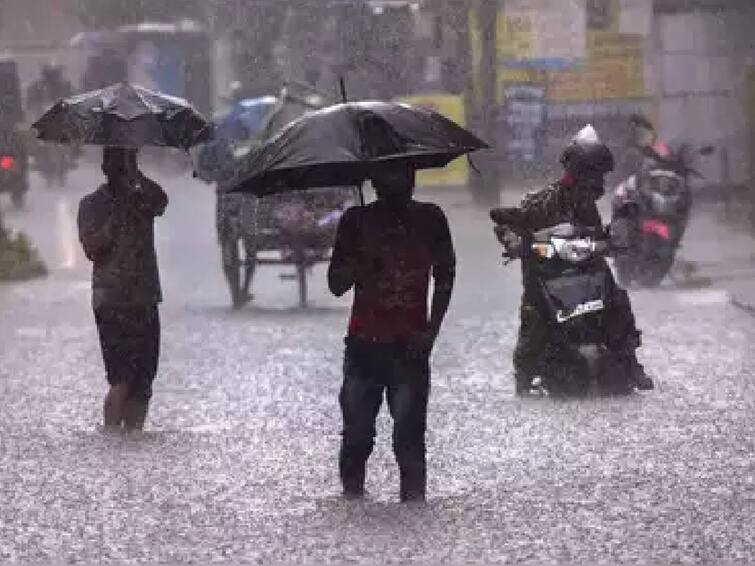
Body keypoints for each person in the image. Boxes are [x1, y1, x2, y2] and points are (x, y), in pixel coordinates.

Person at [491, 125, 654, 394]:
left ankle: (629, 360)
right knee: (533, 310)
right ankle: (525, 373)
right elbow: (510, 223)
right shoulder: (541, 201)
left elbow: (600, 233)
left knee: (616, 296)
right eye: (593, 175)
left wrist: (616, 237)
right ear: (579, 173)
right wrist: (514, 240)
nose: (598, 183)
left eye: (600, 176)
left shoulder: (588, 206)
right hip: (547, 273)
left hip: (587, 269)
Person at [327, 164, 456, 502]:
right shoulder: (355, 222)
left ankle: (413, 509)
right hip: (363, 348)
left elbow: (446, 275)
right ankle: (352, 498)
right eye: (391, 175)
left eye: (406, 175)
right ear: (375, 182)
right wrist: (362, 259)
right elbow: (335, 284)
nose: (400, 182)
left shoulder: (431, 219)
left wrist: (431, 331)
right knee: (356, 437)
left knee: (410, 441)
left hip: (411, 347)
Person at [77, 147, 168, 430]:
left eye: (128, 163)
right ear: (106, 168)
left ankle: (132, 441)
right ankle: (112, 437)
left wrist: (137, 179)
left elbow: (162, 202)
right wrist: (116, 218)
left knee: (143, 381)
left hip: (144, 298)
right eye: (120, 164)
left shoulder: (144, 200)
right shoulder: (92, 204)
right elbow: (92, 248)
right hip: (112, 300)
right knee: (121, 378)